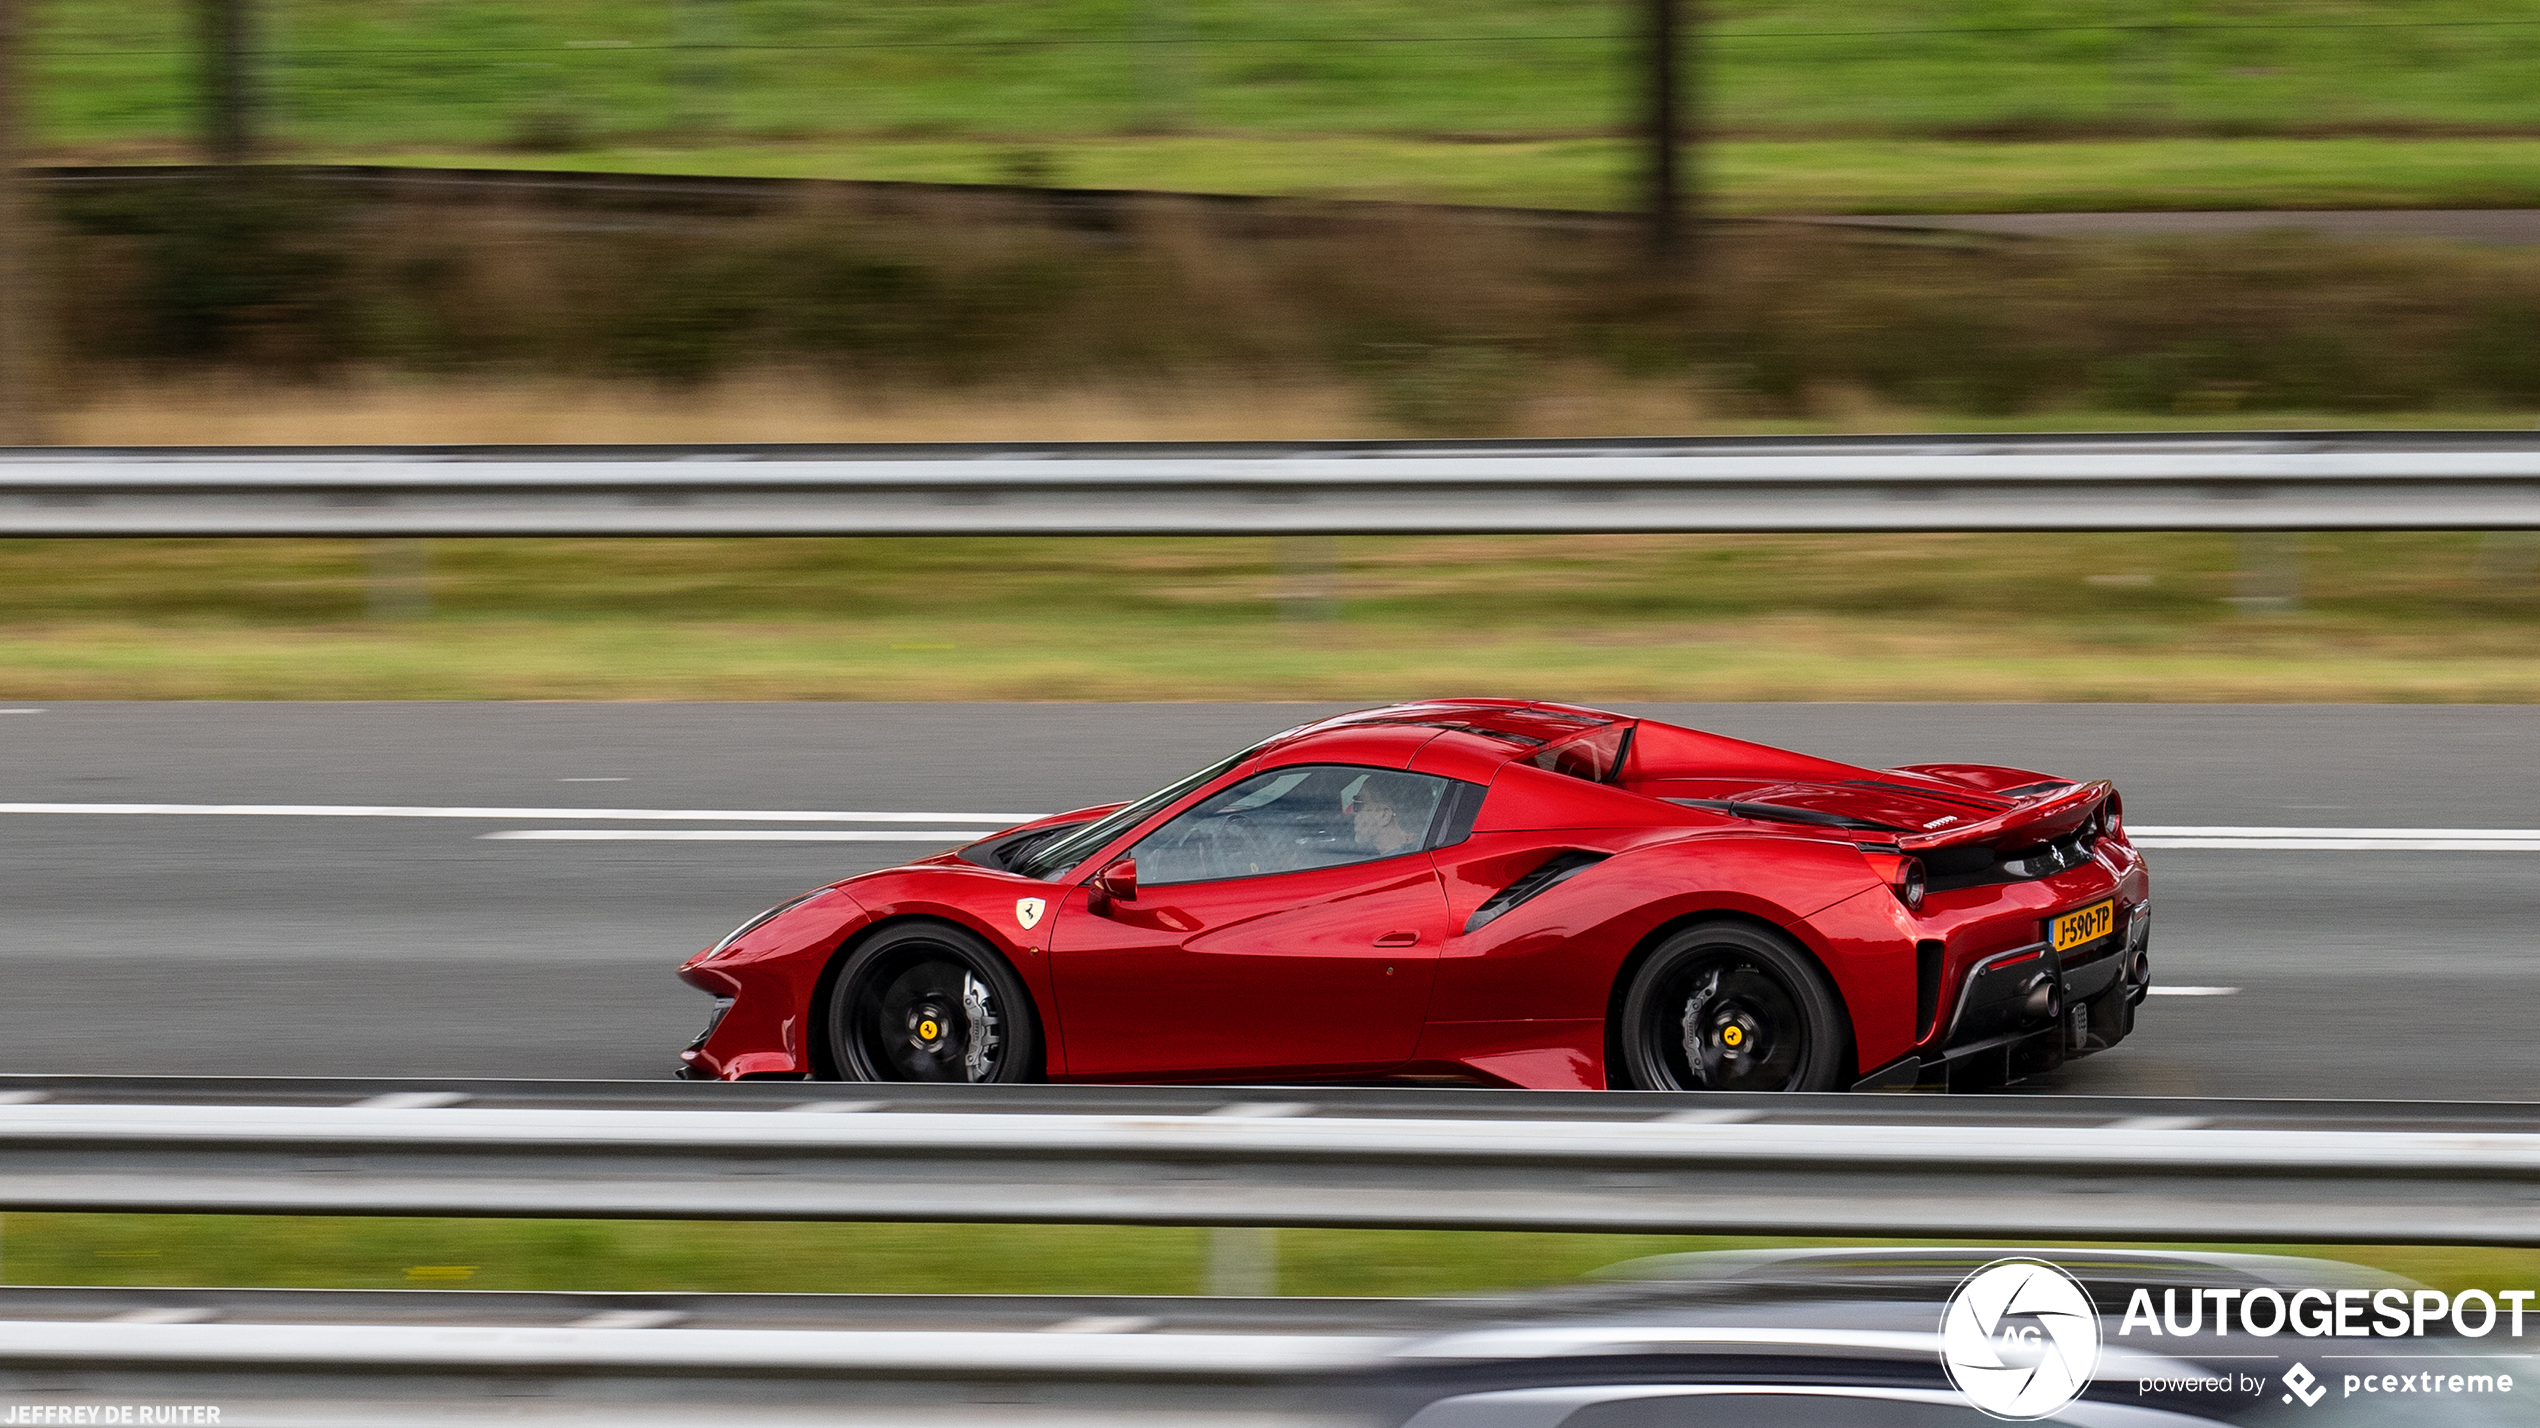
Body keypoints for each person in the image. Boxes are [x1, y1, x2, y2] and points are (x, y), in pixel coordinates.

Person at [1349, 780, 1420, 858]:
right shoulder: (1414, 855)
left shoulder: (1394, 865)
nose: (1353, 813)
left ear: (1384, 815)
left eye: (1358, 804)